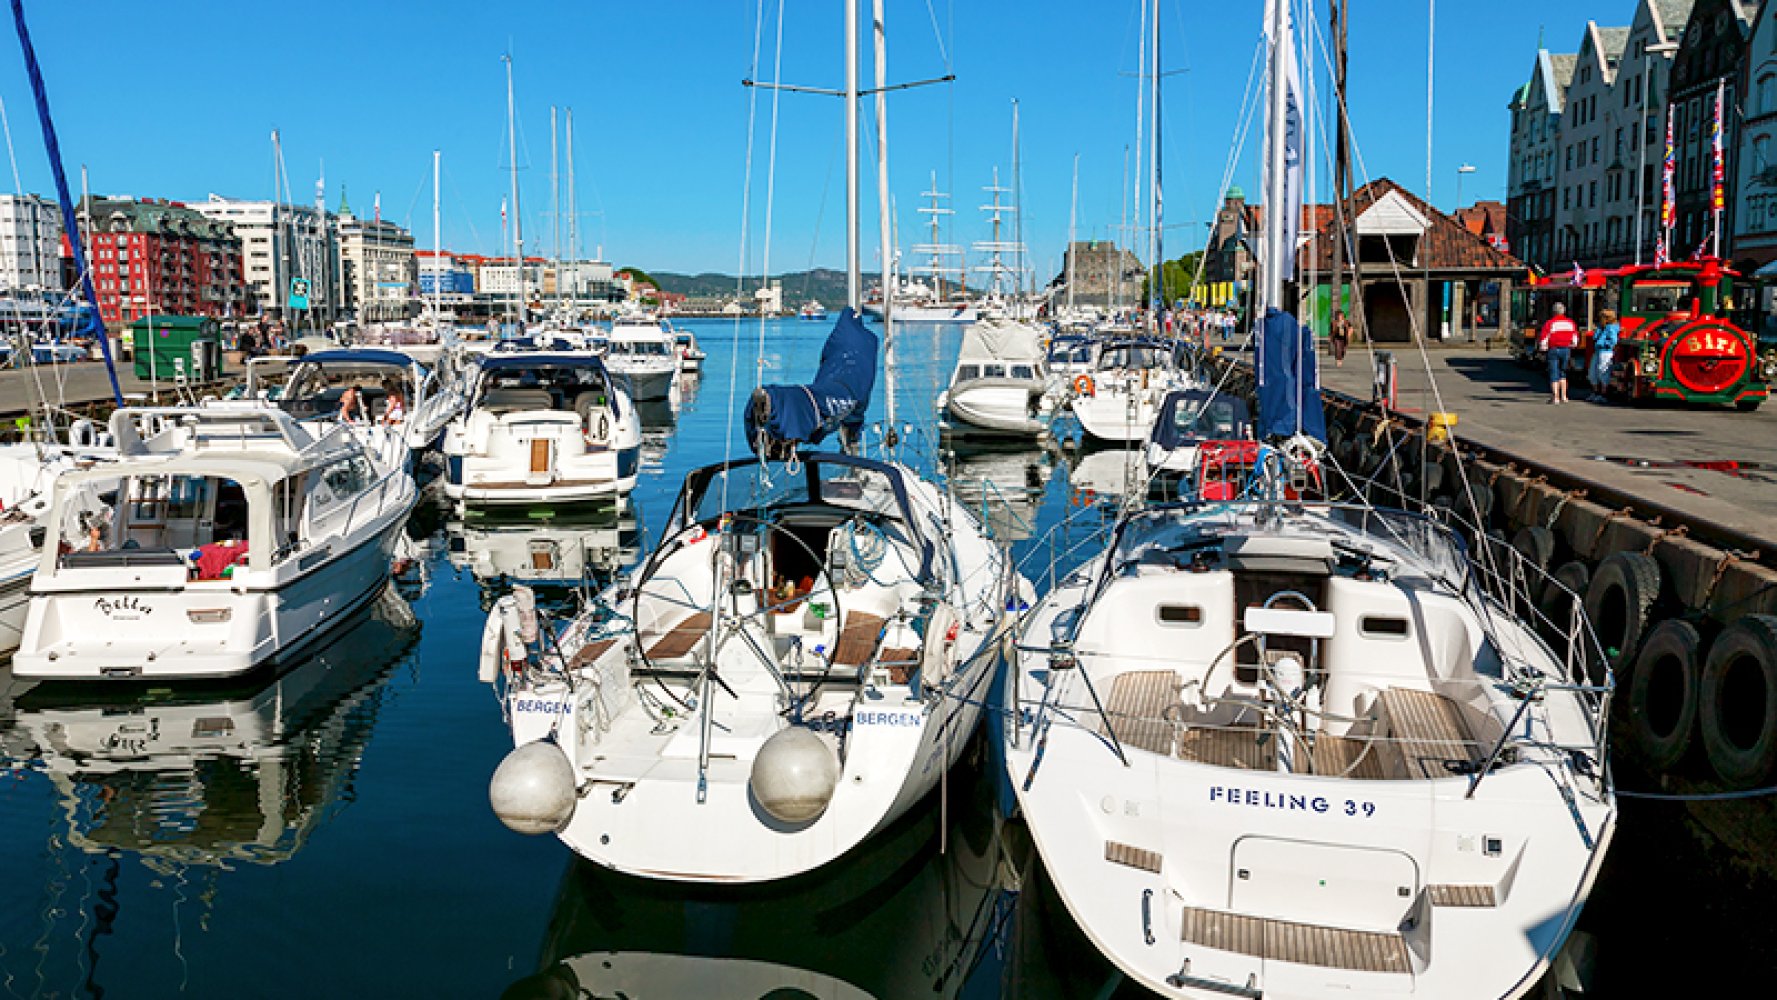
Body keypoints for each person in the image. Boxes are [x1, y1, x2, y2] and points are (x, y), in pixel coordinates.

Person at [1536, 302, 1579, 404]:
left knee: (1554, 372)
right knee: (1563, 373)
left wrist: (1543, 348)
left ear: (1554, 312)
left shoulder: (1550, 323)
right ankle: (1564, 396)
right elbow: (1575, 337)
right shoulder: (1570, 322)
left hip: (1554, 349)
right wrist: (1573, 345)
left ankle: (1555, 397)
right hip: (1566, 349)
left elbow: (1544, 337)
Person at [1588, 309, 1620, 402]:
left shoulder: (1611, 328)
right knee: (1593, 372)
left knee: (1603, 372)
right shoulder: (1602, 327)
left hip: (1606, 351)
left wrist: (1604, 344)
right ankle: (1595, 392)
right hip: (1598, 351)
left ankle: (1603, 394)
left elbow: (1613, 341)